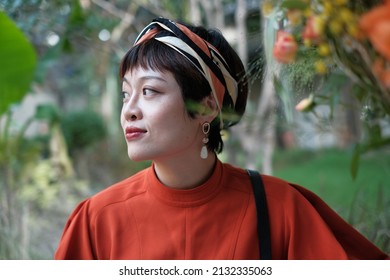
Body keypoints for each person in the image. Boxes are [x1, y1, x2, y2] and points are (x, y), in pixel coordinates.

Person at [54, 17, 389, 260]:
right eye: (126, 95)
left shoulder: (280, 209)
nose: (130, 110)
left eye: (150, 91)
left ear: (206, 107)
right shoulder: (96, 221)